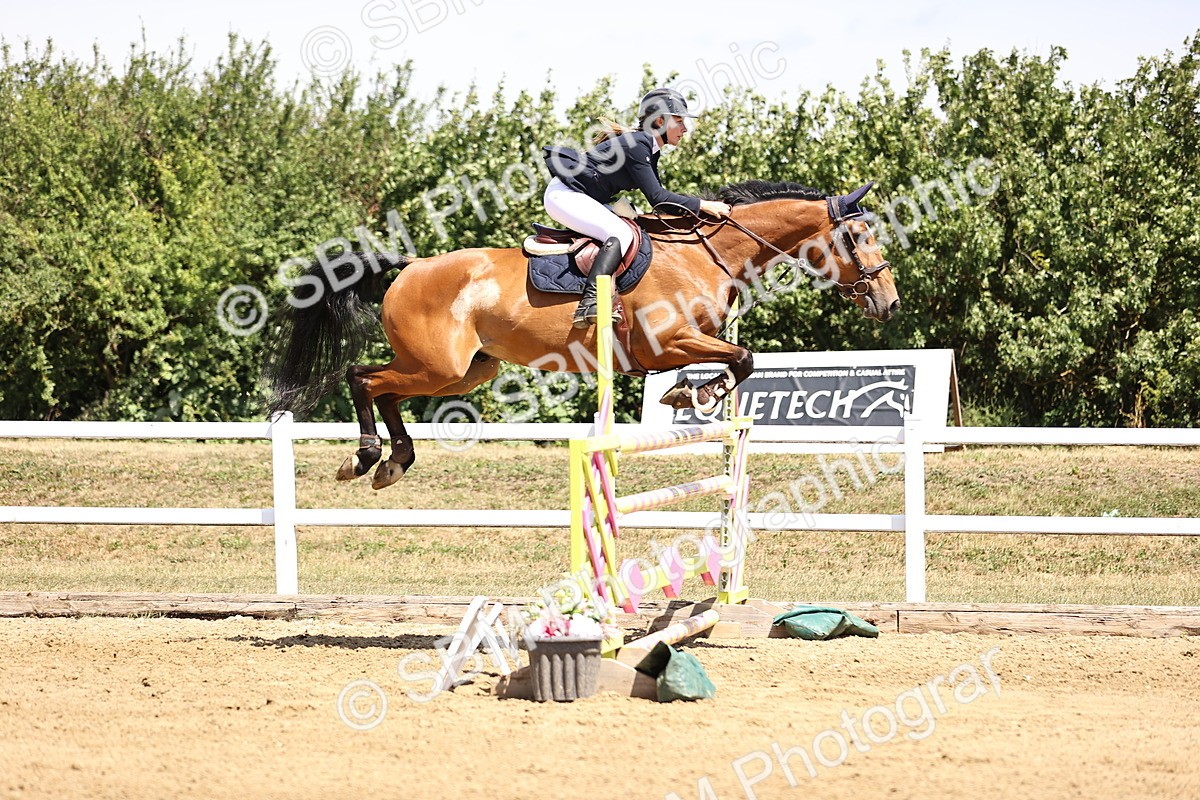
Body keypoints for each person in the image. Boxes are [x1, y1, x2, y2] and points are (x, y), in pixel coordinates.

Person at [542, 88, 732, 328]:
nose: (685, 128)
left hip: (582, 196)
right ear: (660, 121)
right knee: (620, 233)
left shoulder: (648, 148)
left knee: (634, 227)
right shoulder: (639, 144)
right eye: (679, 121)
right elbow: (658, 198)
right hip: (565, 195)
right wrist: (704, 205)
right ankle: (591, 301)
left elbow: (662, 204)